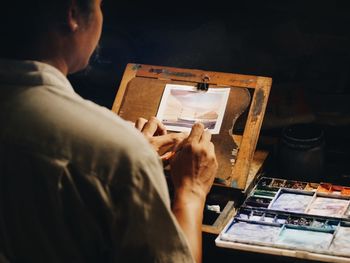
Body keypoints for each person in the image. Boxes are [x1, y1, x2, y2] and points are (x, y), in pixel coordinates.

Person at [0, 1, 218, 263]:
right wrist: (192, 190)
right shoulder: (119, 154)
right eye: (100, 4)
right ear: (72, 15)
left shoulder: (117, 154)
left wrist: (123, 159)